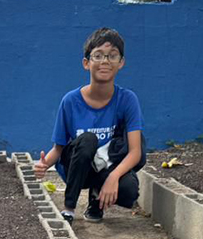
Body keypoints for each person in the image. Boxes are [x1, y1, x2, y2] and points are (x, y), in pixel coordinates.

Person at [34, 27, 145, 225]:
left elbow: (135, 151)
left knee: (128, 190)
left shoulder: (128, 99)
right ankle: (69, 207)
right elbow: (58, 148)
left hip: (106, 164)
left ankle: (96, 198)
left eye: (112, 56)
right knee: (87, 140)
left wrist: (113, 178)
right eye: (98, 56)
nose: (105, 61)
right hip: (77, 168)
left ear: (121, 63)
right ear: (86, 63)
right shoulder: (70, 101)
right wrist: (43, 165)